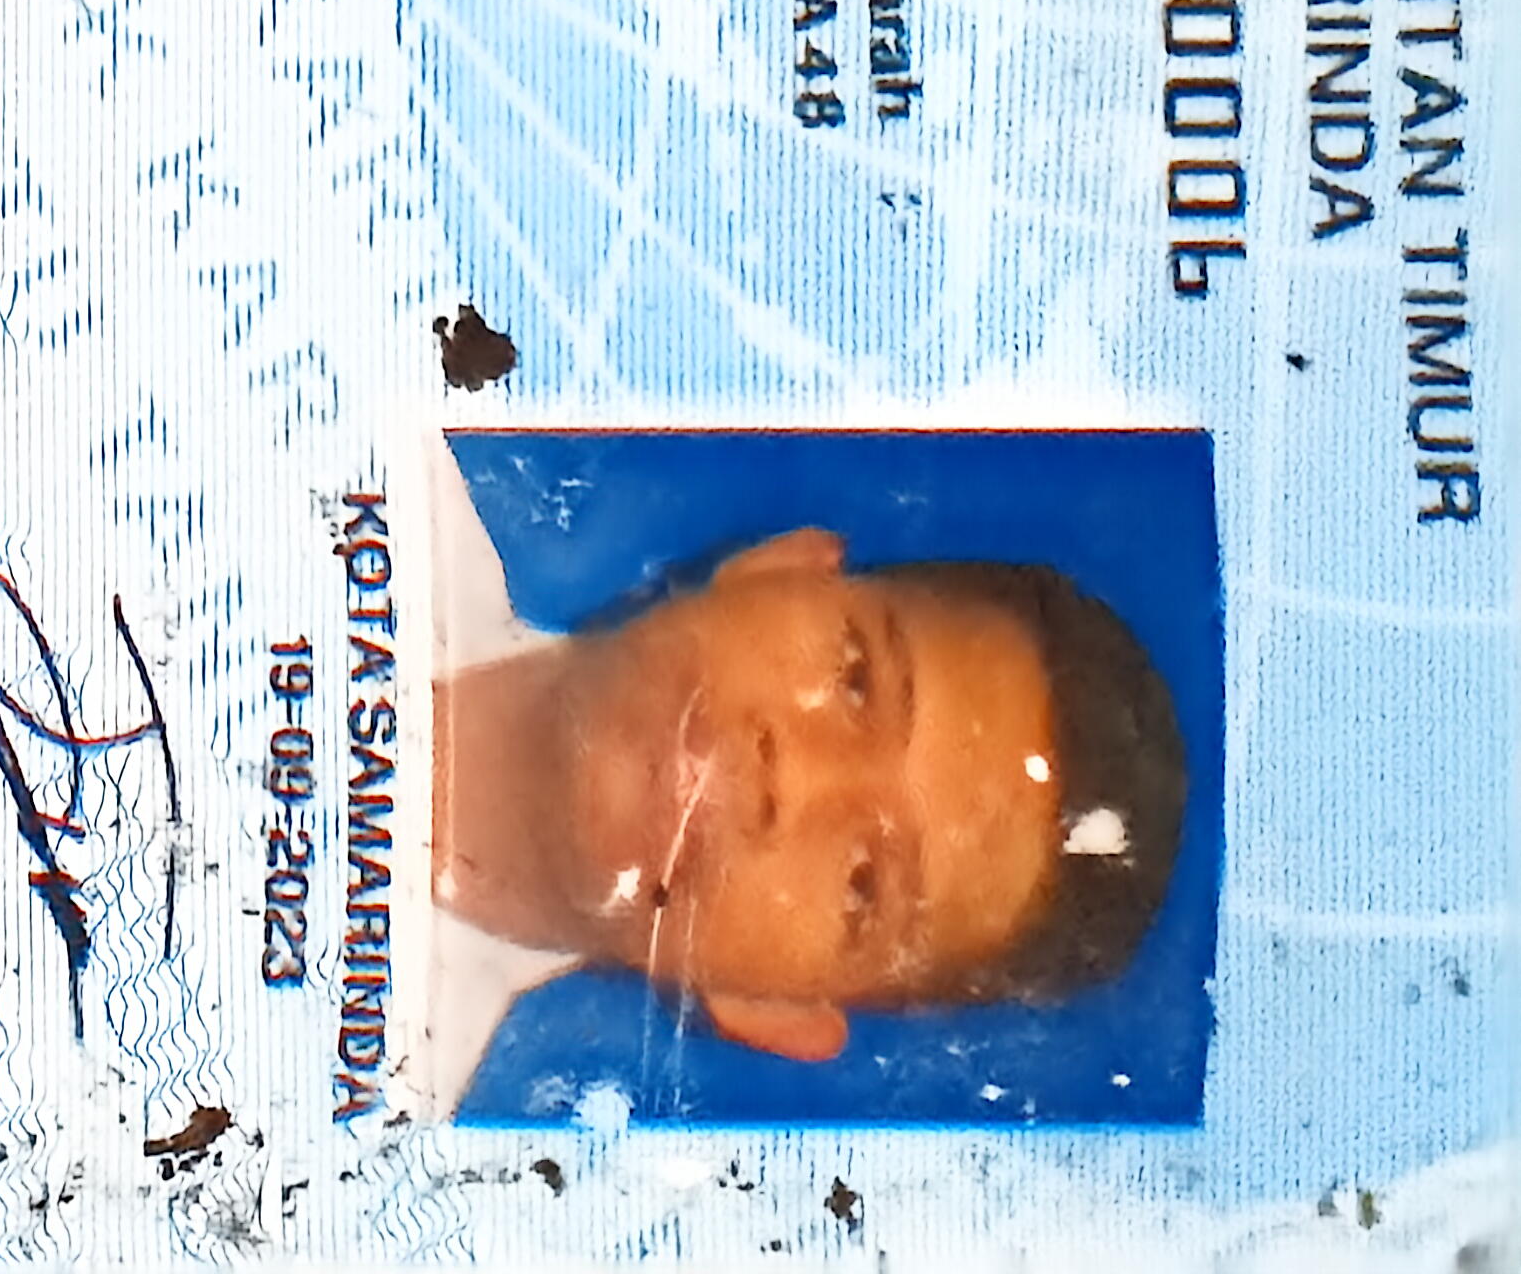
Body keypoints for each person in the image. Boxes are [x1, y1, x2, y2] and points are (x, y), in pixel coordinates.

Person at [425, 446, 1187, 1112]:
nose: (790, 777)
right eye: (855, 679)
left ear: (776, 1014)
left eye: (862, 885)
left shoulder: (393, 1143)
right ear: (778, 567)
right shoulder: (371, 444)